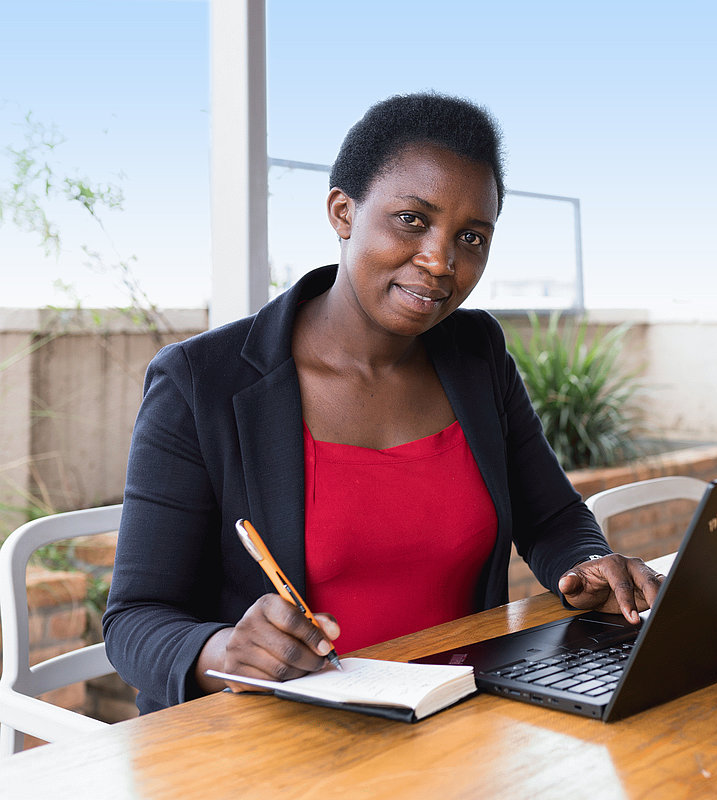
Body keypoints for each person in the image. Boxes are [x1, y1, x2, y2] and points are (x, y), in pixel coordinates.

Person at [103, 93, 662, 714]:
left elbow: (551, 517)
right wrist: (223, 650)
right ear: (343, 212)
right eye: (413, 220)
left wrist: (586, 565)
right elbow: (134, 620)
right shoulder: (201, 383)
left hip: (462, 714)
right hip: (274, 733)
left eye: (471, 237)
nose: (440, 261)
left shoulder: (476, 356)